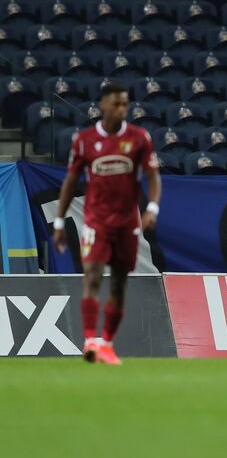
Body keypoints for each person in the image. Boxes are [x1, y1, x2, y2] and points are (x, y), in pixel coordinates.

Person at [53, 81, 161, 365]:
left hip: (127, 224)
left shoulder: (139, 138)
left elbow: (152, 176)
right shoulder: (85, 140)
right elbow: (70, 181)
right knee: (92, 275)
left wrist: (151, 207)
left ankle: (107, 344)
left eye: (125, 104)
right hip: (96, 221)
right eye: (116, 103)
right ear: (102, 105)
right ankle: (89, 340)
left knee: (118, 284)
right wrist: (59, 222)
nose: (121, 109)